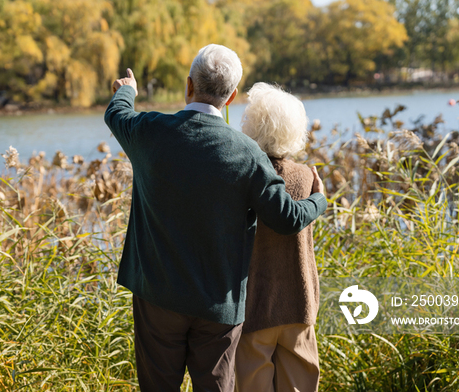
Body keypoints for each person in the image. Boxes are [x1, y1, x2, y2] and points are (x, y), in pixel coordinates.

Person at [104, 44, 327, 392]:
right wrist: (318, 200)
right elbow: (286, 218)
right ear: (233, 96)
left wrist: (128, 92)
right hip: (218, 309)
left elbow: (116, 114)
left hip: (158, 296)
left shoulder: (149, 131)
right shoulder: (247, 152)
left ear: (188, 85)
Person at [235, 82, 322, 392]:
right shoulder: (308, 175)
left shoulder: (244, 176)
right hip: (299, 303)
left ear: (252, 125)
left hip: (254, 308)